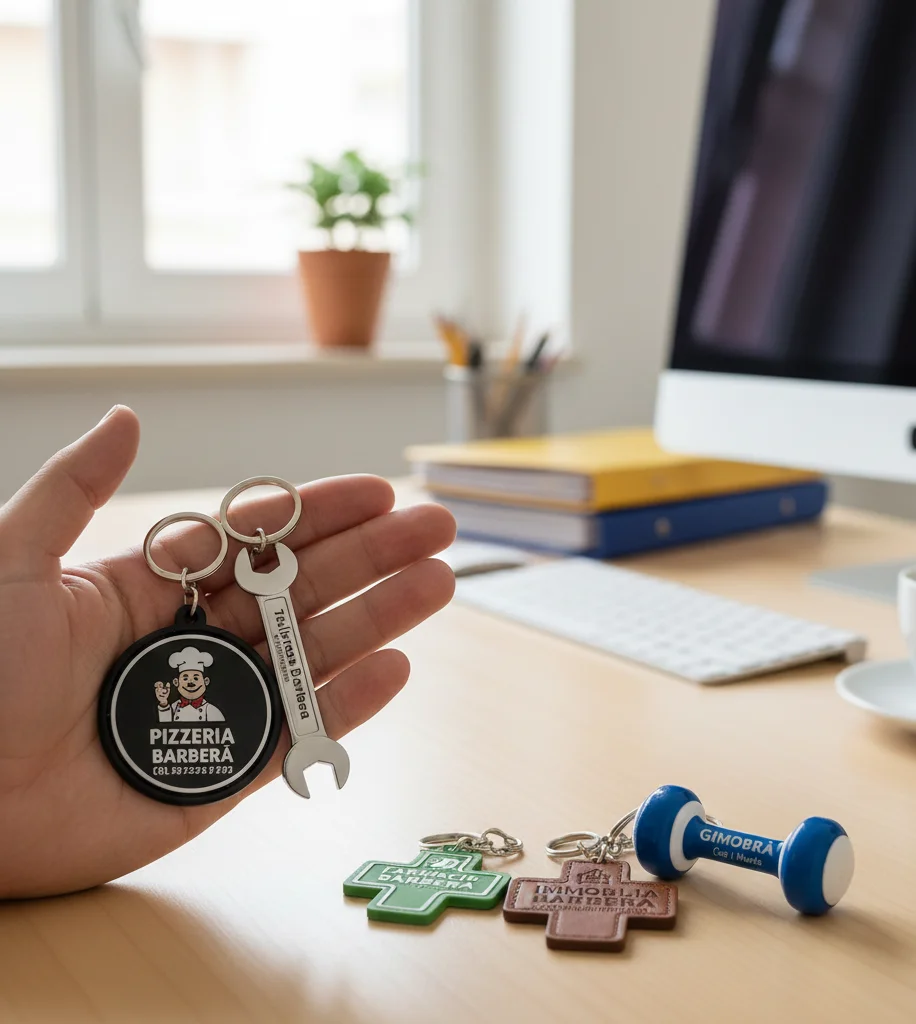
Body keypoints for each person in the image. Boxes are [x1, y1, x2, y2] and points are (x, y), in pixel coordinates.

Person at [0, 406, 456, 899]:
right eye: (187, 680)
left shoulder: (212, 706)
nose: (192, 684)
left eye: (196, 678)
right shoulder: (169, 699)